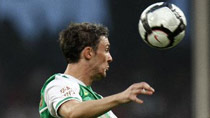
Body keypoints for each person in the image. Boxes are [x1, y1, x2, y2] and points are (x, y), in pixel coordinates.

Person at [39, 22, 155, 118]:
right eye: (106, 50)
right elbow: (72, 112)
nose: (110, 58)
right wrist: (121, 97)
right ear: (88, 53)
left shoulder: (99, 104)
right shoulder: (58, 84)